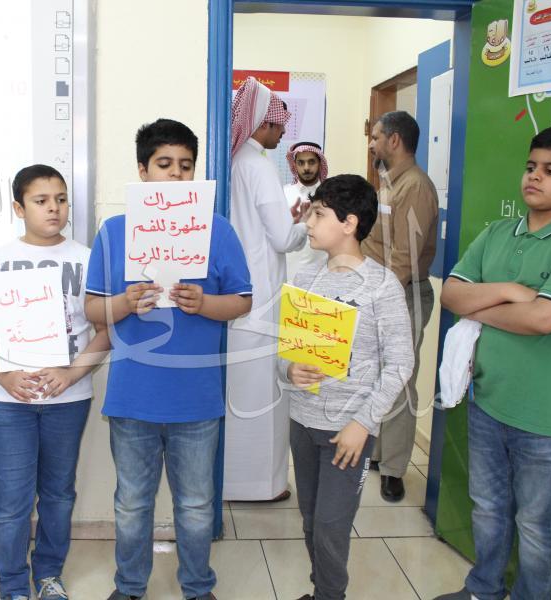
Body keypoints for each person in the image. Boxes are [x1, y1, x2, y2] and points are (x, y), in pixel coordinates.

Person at [434, 126, 551, 600]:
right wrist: (511, 292)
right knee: (487, 508)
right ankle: (483, 590)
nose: (534, 177)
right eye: (531, 167)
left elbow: (545, 319)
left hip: (547, 415)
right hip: (487, 400)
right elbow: (451, 294)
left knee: (536, 524)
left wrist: (480, 305)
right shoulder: (497, 232)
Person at [85, 118, 252, 600]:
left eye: (185, 165)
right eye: (164, 164)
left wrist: (205, 304)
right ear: (143, 170)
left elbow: (242, 301)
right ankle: (129, 587)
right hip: (133, 398)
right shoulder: (114, 232)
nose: (176, 174)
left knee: (196, 506)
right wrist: (123, 303)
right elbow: (92, 309)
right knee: (131, 504)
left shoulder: (218, 230)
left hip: (196, 400)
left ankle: (197, 587)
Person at [0, 164, 108, 600]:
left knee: (58, 494)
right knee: (11, 499)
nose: (54, 208)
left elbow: (106, 330)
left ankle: (48, 575)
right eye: (41, 201)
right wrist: (2, 376)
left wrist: (72, 373)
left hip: (69, 397)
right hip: (8, 401)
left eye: (61, 199)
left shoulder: (87, 259)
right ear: (19, 208)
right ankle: (11, 585)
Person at [284, 174, 413, 600]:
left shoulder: (381, 286)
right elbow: (286, 352)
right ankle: (321, 590)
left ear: (349, 223)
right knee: (310, 521)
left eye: (318, 214)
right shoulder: (304, 278)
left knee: (331, 526)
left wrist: (363, 423)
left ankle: (330, 595)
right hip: (303, 423)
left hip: (349, 432)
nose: (308, 222)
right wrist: (289, 370)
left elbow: (400, 364)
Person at [225, 76, 307, 502]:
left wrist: (287, 221)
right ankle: (264, 487)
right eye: (279, 125)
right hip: (261, 297)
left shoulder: (234, 162)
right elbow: (281, 238)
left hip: (237, 296)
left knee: (238, 392)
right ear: (263, 123)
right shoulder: (258, 165)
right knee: (264, 393)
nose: (281, 132)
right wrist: (306, 224)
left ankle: (231, 481)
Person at [361, 110, 439, 502]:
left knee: (398, 381)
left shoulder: (416, 187)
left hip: (399, 296)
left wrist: (381, 304)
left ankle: (393, 469)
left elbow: (404, 259)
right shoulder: (389, 182)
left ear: (394, 140)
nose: (371, 144)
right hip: (377, 293)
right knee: (376, 378)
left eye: (376, 137)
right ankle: (377, 453)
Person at [284, 141, 329, 281]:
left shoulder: (331, 195)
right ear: (294, 165)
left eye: (311, 162)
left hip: (321, 277)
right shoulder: (283, 193)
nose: (306, 168)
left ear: (320, 163)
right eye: (301, 163)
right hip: (288, 275)